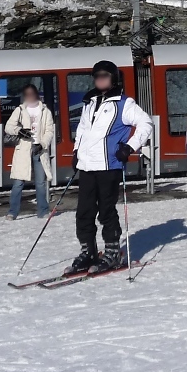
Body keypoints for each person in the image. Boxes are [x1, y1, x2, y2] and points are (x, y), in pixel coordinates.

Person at [68, 60, 154, 275]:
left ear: (113, 78)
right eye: (97, 76)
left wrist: (129, 146)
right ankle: (88, 252)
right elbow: (82, 130)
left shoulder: (125, 104)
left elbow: (146, 124)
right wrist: (76, 151)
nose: (100, 80)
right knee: (84, 212)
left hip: (109, 165)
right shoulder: (90, 102)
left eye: (105, 76)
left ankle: (113, 252)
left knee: (106, 211)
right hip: (87, 165)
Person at [3, 84, 54, 220]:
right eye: (27, 94)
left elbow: (49, 131)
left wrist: (42, 144)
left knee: (40, 183)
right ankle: (12, 212)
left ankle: (43, 211)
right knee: (18, 182)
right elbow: (8, 126)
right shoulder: (20, 110)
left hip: (39, 149)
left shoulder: (45, 111)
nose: (30, 96)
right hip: (23, 150)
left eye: (32, 93)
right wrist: (19, 131)